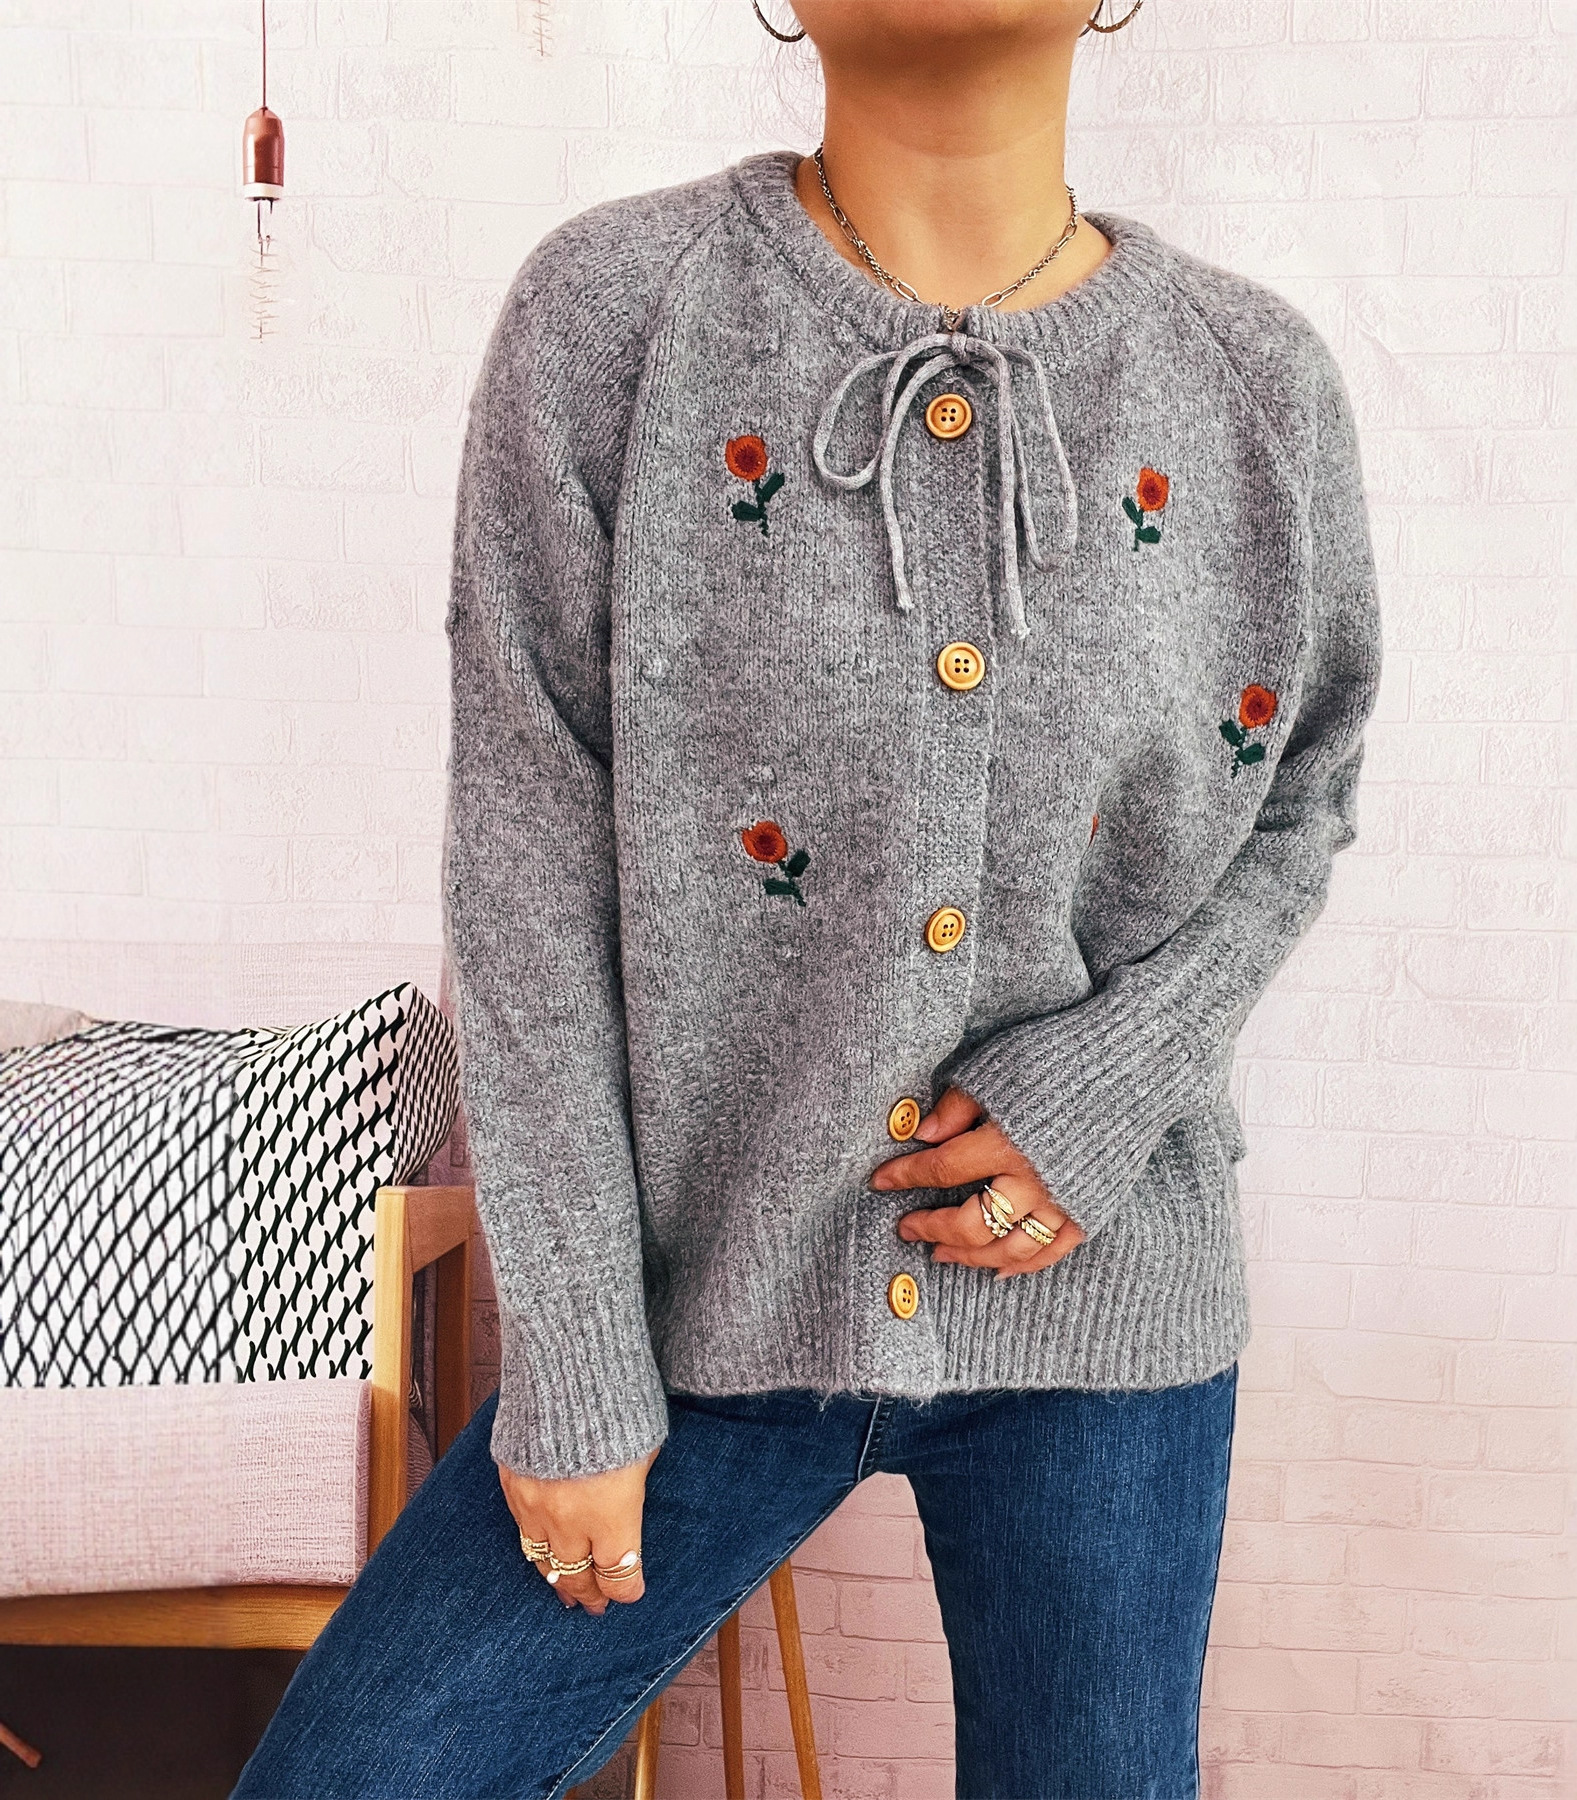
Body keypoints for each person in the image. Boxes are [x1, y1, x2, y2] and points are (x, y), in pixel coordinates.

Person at [234, 1, 1382, 1794]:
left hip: (1107, 1306)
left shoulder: (1256, 386)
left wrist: (1104, 1085)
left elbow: (1304, 792)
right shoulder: (614, 323)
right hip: (694, 1311)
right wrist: (576, 1361)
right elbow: (525, 874)